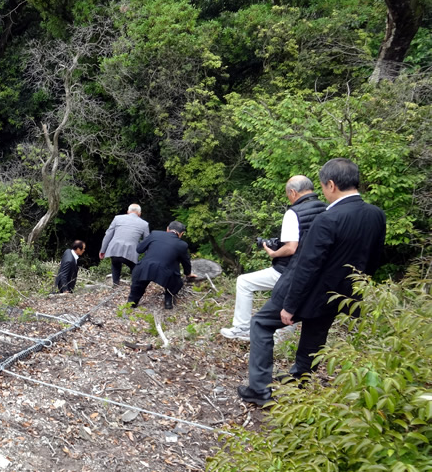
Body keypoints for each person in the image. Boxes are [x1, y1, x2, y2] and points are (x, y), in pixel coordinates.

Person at [238, 158, 386, 406]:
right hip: (341, 293)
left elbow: (308, 265)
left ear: (330, 184)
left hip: (309, 291)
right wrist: (355, 294)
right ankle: (300, 379)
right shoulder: (375, 215)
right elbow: (372, 258)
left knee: (261, 324)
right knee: (316, 331)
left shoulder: (328, 219)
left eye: (323, 187)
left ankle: (260, 390)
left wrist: (290, 305)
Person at [220, 176, 326, 341]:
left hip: (289, 270)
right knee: (295, 298)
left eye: (288, 195)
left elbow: (291, 247)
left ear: (292, 192)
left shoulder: (294, 213)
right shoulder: (326, 209)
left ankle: (241, 327)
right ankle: (283, 340)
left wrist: (274, 253)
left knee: (244, 282)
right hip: (316, 272)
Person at [128, 221, 197, 309]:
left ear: (167, 229)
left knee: (138, 285)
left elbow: (139, 249)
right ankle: (168, 302)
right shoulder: (182, 245)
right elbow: (186, 262)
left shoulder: (154, 234)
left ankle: (131, 304)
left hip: (145, 267)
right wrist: (188, 274)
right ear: (181, 233)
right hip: (166, 272)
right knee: (177, 283)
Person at [99, 204, 150, 286]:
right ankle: (134, 287)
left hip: (115, 249)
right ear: (139, 213)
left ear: (128, 212)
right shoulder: (144, 224)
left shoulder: (117, 218)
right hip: (131, 252)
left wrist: (102, 250)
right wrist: (148, 258)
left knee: (115, 264)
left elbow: (108, 235)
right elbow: (147, 242)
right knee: (134, 268)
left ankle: (115, 284)